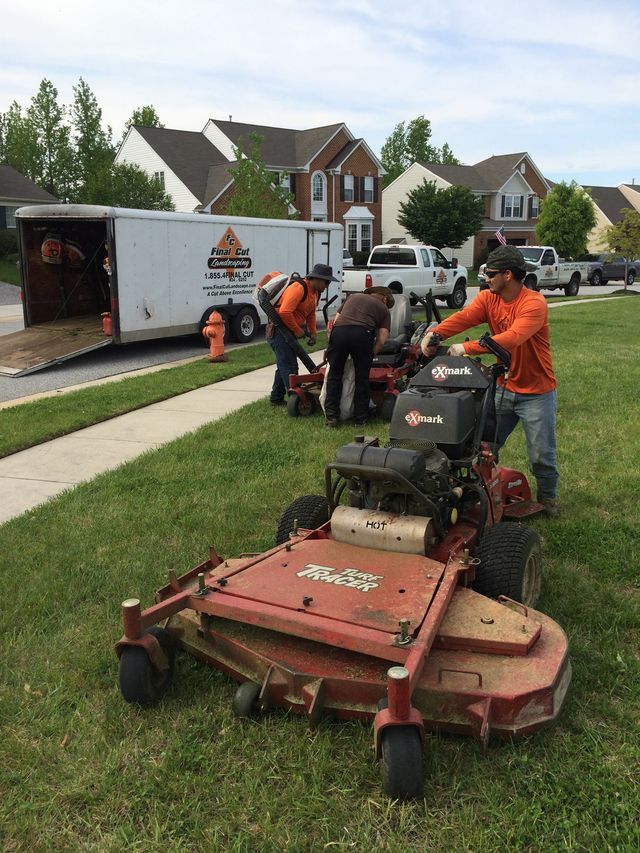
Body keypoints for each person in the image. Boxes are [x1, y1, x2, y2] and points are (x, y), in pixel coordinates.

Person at [421, 245, 560, 517]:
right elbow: (464, 318)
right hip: (503, 387)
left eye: (490, 273)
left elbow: (512, 338)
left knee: (541, 454)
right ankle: (476, 492)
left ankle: (548, 498)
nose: (485, 277)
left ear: (508, 275)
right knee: (482, 446)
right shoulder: (488, 299)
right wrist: (436, 333)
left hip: (536, 392)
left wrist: (465, 348)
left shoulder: (533, 303)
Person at [267, 263, 337, 406]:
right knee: (290, 366)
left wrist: (313, 333)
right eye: (326, 281)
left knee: (283, 364)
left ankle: (276, 398)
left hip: (287, 332)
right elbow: (285, 312)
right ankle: (299, 400)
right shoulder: (298, 288)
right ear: (316, 279)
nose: (327, 285)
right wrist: (298, 331)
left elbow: (310, 313)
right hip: (279, 332)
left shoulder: (315, 292)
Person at [324, 286, 394, 428]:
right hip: (362, 334)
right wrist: (369, 355)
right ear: (385, 299)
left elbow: (334, 323)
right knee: (361, 378)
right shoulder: (383, 309)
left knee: (334, 375)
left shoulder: (353, 297)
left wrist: (332, 344)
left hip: (339, 332)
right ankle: (360, 419)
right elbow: (381, 340)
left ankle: (332, 418)